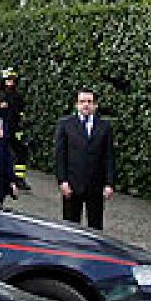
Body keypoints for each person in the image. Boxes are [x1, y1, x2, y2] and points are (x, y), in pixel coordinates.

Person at [52, 89, 115, 230]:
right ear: (76, 105)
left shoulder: (105, 126)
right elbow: (60, 155)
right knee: (70, 227)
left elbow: (109, 156)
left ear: (95, 105)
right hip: (72, 185)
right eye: (82, 102)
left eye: (89, 102)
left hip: (96, 186)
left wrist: (109, 183)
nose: (86, 105)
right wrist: (62, 181)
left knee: (95, 227)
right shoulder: (65, 124)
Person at [0, 67, 31, 191]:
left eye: (12, 80)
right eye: (8, 80)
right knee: (1, 153)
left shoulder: (17, 96)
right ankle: (1, 178)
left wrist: (21, 126)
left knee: (21, 151)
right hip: (1, 129)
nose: (10, 82)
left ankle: (19, 179)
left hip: (14, 130)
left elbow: (21, 113)